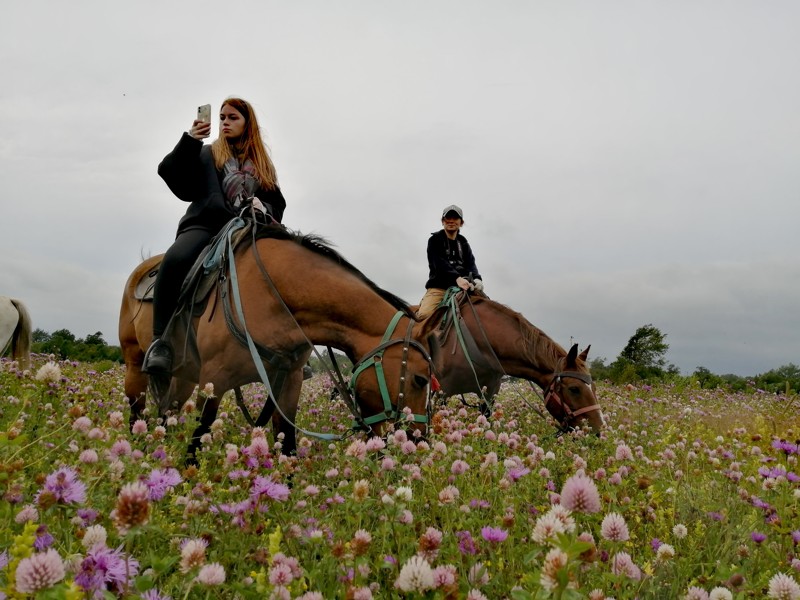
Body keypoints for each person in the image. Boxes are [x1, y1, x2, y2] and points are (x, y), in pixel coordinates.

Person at [142, 97, 286, 374]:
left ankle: (283, 346)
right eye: (222, 118)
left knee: (284, 265)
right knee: (176, 258)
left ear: (248, 123)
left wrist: (262, 206)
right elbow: (172, 174)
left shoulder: (263, 165)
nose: (225, 123)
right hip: (207, 226)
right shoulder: (207, 153)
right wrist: (190, 140)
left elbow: (277, 203)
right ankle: (160, 341)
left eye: (233, 118)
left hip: (251, 229)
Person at [416, 204, 483, 320]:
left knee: (488, 311)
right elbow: (439, 263)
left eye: (455, 218)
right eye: (448, 218)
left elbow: (471, 263)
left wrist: (477, 279)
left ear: (461, 223)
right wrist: (456, 278)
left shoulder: (463, 243)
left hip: (465, 288)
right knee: (424, 316)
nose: (451, 221)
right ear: (442, 221)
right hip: (439, 288)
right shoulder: (434, 240)